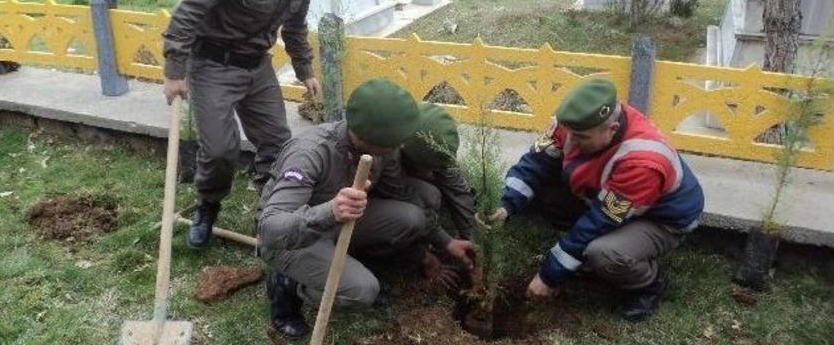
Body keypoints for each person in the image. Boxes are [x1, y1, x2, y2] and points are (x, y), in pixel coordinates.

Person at [161, 0, 343, 249]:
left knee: (278, 143)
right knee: (220, 151)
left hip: (257, 66)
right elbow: (187, 14)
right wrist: (174, 70)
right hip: (213, 64)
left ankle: (271, 211)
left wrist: (304, 69)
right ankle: (207, 206)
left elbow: (294, 26)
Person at [256, 79, 474, 338]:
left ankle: (347, 260)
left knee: (412, 216)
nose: (400, 148)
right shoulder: (309, 153)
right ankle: (289, 285)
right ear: (363, 137)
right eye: (395, 142)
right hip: (293, 239)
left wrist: (446, 242)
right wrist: (329, 212)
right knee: (362, 291)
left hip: (340, 220)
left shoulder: (383, 150)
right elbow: (270, 229)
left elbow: (401, 195)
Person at [486, 78, 704, 321]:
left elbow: (600, 221)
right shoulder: (576, 121)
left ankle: (649, 283)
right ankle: (578, 257)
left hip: (660, 218)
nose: (571, 143)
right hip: (609, 197)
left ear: (611, 129)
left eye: (581, 138)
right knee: (543, 192)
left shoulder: (642, 163)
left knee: (603, 252)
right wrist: (506, 204)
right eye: (569, 134)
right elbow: (537, 161)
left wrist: (549, 276)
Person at [399, 103, 476, 282]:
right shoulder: (386, 155)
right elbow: (398, 214)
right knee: (429, 195)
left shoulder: (436, 142)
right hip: (370, 204)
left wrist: (473, 244)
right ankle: (410, 251)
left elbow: (459, 193)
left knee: (434, 192)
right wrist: (424, 256)